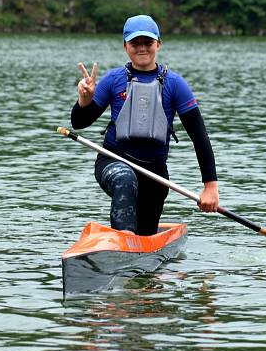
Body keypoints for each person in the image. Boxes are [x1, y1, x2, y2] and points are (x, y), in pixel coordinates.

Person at [70, 14, 219, 236]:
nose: (142, 48)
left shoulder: (175, 85)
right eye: (135, 43)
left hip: (154, 175)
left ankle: (137, 244)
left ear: (158, 44)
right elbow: (79, 122)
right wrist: (84, 100)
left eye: (148, 42)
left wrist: (210, 188)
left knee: (145, 233)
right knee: (124, 178)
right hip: (113, 162)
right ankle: (123, 243)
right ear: (125, 46)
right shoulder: (113, 79)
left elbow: (199, 137)